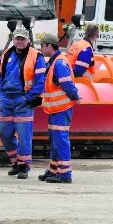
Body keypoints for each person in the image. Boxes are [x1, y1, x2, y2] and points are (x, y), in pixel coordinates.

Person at [0, 28, 46, 179]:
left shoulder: (36, 56)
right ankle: (16, 161)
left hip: (23, 101)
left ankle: (23, 167)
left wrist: (27, 98)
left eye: (22, 39)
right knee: (3, 131)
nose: (19, 41)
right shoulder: (6, 54)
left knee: (24, 135)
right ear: (13, 40)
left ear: (28, 40)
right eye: (17, 39)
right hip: (6, 100)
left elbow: (40, 81)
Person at [38, 33, 81, 184]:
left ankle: (64, 174)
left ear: (49, 46)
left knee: (60, 140)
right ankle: (54, 170)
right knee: (55, 140)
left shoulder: (59, 63)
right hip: (55, 109)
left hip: (61, 108)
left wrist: (76, 96)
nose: (40, 49)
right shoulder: (56, 61)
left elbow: (67, 84)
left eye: (42, 46)